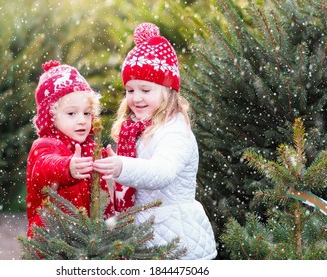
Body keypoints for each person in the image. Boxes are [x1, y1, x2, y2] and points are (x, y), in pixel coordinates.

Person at [93, 23, 217, 259]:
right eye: (130, 90)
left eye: (145, 90)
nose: (136, 98)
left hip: (176, 241)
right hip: (146, 234)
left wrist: (121, 167)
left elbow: (163, 172)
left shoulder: (174, 130)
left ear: (167, 91)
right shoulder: (135, 130)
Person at [26, 60, 114, 237]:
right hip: (53, 239)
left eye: (87, 113)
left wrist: (115, 164)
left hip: (88, 239)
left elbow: (103, 198)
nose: (82, 120)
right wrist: (66, 167)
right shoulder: (45, 145)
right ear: (51, 117)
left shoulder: (92, 149)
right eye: (72, 113)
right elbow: (44, 167)